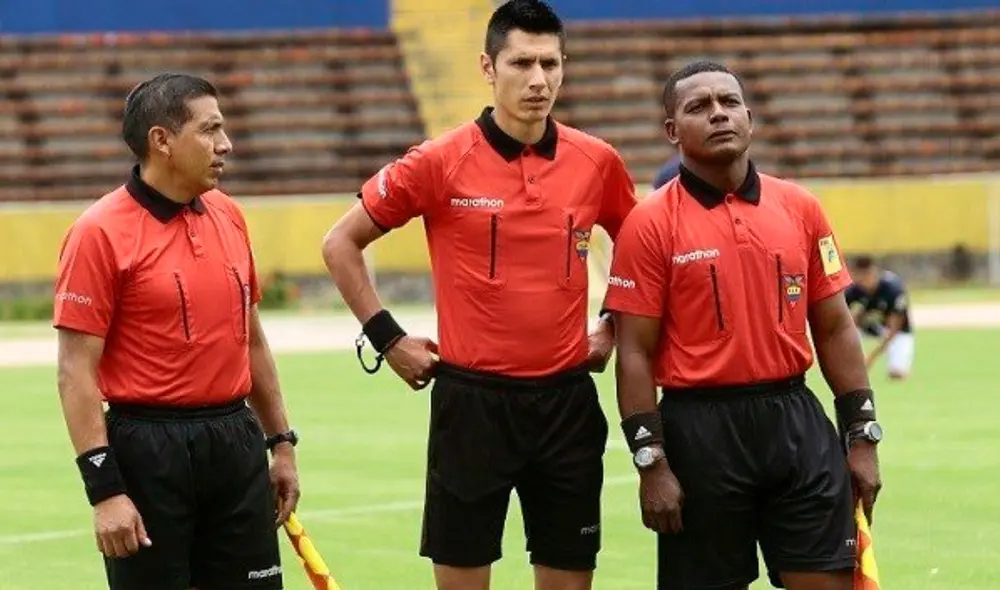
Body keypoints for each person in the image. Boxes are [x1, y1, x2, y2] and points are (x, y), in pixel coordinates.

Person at [320, 1, 637, 588]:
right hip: (472, 405)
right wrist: (388, 341)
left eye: (550, 63)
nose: (538, 80)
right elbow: (340, 243)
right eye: (521, 63)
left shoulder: (598, 162)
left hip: (566, 404)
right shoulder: (439, 161)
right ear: (488, 67)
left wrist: (612, 324)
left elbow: (640, 251)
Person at [602, 60, 883, 590]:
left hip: (797, 423)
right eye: (698, 107)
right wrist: (651, 464)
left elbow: (835, 328)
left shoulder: (800, 207)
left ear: (750, 118)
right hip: (698, 433)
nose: (718, 115)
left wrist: (862, 436)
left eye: (729, 103)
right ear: (672, 132)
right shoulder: (648, 223)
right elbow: (634, 352)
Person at [53, 73, 300, 590]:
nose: (225, 144)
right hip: (148, 450)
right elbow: (76, 370)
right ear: (161, 141)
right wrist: (105, 492)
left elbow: (250, 338)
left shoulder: (230, 215)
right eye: (210, 130)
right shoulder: (98, 232)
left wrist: (280, 444)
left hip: (235, 442)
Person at [846, 255, 914, 379]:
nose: (863, 280)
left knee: (897, 374)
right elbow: (846, 322)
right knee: (845, 336)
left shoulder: (892, 288)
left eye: (866, 276)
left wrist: (871, 357)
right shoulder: (854, 290)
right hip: (868, 329)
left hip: (897, 333)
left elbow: (894, 328)